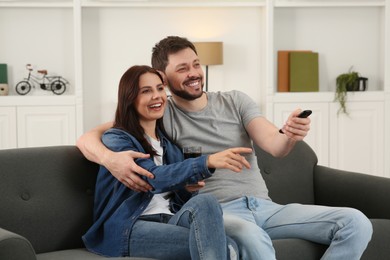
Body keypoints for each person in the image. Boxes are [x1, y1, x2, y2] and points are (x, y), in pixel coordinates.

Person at [78, 37, 373, 260]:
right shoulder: (159, 112)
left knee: (355, 222)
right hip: (219, 213)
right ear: (163, 77)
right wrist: (111, 159)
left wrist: (291, 134)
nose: (194, 73)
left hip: (265, 207)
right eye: (182, 68)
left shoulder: (236, 100)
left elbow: (275, 144)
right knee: (247, 235)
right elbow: (97, 134)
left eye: (195, 64)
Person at [82, 65, 252, 259]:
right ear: (130, 98)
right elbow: (152, 178)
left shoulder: (169, 146)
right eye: (146, 91)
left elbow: (177, 201)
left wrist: (186, 189)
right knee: (226, 248)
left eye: (160, 88)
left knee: (206, 201)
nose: (157, 96)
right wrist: (208, 161)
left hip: (169, 220)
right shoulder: (117, 139)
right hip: (130, 226)